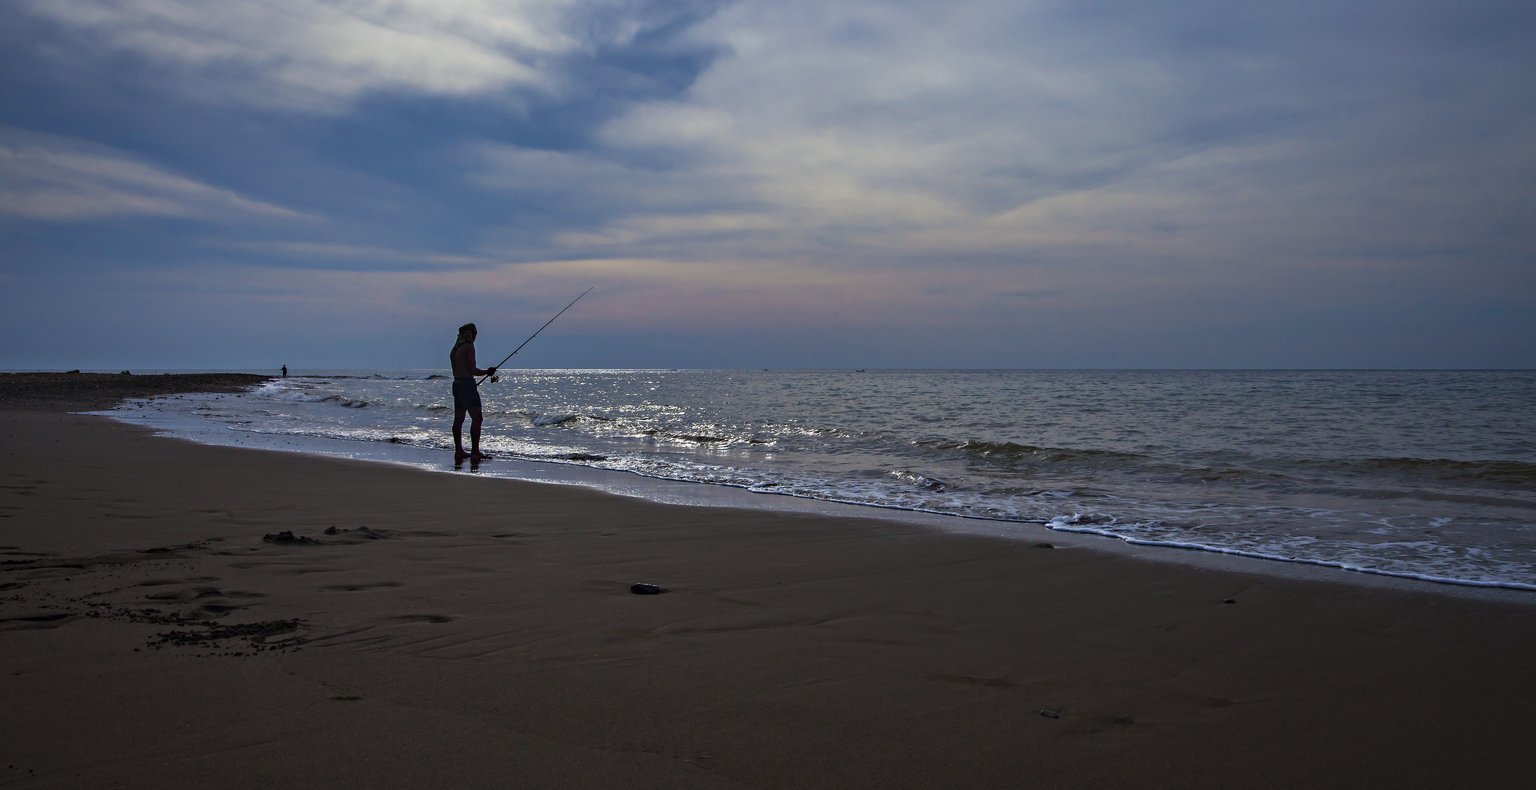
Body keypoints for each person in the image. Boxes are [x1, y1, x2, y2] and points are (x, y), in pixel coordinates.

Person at [449, 323, 496, 462]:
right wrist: (487, 372)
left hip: (457, 384)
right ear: (470, 333)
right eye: (474, 333)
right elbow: (472, 370)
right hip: (467, 385)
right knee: (477, 418)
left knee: (459, 420)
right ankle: (475, 452)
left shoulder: (454, 349)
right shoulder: (468, 347)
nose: (475, 336)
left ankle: (459, 451)